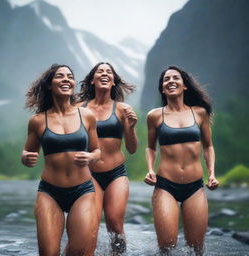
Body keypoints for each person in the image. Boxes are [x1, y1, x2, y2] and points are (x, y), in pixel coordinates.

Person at [21, 64, 100, 256]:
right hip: (50, 192)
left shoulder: (87, 116)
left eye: (70, 76)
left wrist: (90, 156)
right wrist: (25, 157)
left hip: (82, 190)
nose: (66, 79)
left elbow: (97, 150)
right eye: (60, 76)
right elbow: (27, 152)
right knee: (48, 253)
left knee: (80, 252)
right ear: (49, 85)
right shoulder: (38, 121)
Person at [144, 65, 219, 255]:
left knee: (196, 248)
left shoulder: (199, 113)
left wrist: (211, 173)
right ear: (162, 88)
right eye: (166, 80)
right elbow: (151, 147)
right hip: (165, 186)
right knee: (167, 246)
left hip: (194, 186)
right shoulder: (154, 116)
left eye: (175, 78)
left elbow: (208, 146)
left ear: (184, 85)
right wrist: (150, 169)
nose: (171, 81)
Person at [77, 62, 138, 254]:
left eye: (109, 72)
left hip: (116, 174)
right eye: (100, 71)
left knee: (115, 223)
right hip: (89, 174)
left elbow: (132, 148)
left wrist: (131, 128)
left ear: (113, 81)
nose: (104, 74)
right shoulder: (79, 108)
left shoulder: (122, 109)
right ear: (92, 80)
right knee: (90, 225)